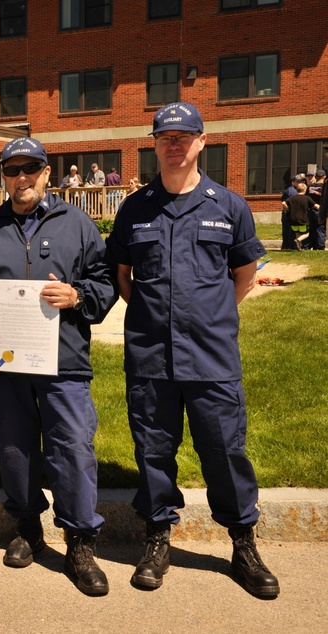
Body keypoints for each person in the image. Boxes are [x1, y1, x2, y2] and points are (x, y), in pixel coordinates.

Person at [106, 102, 279, 599]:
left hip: (212, 357)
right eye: (165, 137)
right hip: (151, 357)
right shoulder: (135, 209)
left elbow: (243, 274)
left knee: (225, 451)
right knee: (154, 451)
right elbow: (123, 277)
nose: (175, 144)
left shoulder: (228, 206)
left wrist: (210, 313)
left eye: (185, 136)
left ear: (203, 141)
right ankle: (158, 537)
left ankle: (243, 542)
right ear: (154, 145)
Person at [0, 137, 116, 596]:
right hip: (6, 366)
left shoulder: (78, 223)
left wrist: (78, 295)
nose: (22, 178)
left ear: (48, 174)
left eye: (31, 169)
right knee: (14, 449)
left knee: (72, 450)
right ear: (3, 177)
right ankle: (28, 526)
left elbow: (105, 282)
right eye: (13, 170)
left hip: (63, 362)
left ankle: (80, 542)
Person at [282, 183, 318, 251]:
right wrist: (321, 209)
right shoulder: (307, 198)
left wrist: (286, 209)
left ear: (297, 190)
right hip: (303, 220)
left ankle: (299, 248)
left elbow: (283, 203)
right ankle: (298, 240)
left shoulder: (291, 198)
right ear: (305, 189)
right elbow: (315, 205)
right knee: (307, 234)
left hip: (292, 220)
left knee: (297, 233)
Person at [280, 174, 303, 250]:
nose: (300, 183)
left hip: (289, 213)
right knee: (290, 231)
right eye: (298, 181)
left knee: (289, 230)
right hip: (289, 213)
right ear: (293, 182)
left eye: (301, 181)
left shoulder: (294, 190)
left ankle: (287, 246)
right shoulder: (291, 191)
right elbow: (284, 201)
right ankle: (289, 246)